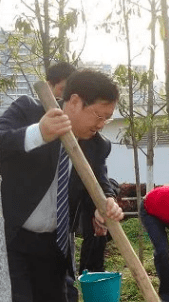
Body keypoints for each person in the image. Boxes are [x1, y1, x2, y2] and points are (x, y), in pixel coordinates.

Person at [0, 69, 125, 302]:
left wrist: (104, 203)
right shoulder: (29, 111)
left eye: (107, 118)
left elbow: (100, 183)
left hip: (54, 245)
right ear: (75, 102)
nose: (102, 124)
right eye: (99, 116)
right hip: (13, 240)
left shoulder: (96, 145)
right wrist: (38, 133)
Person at [46, 61, 78, 302]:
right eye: (63, 90)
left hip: (64, 221)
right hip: (34, 227)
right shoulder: (31, 119)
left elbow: (97, 169)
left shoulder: (77, 128)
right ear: (50, 87)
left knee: (67, 277)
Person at [74, 178, 120, 275]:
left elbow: (111, 190)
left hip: (102, 207)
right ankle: (85, 270)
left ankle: (99, 269)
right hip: (88, 207)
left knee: (101, 238)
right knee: (90, 238)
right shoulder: (85, 183)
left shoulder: (107, 184)